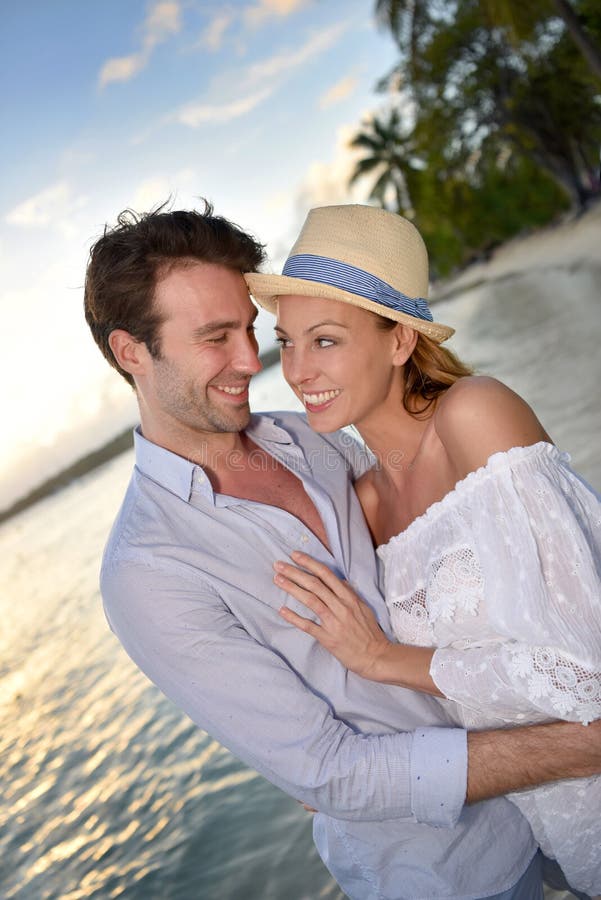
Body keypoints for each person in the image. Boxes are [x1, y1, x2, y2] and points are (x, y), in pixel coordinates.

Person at [84, 202, 601, 900]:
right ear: (130, 352)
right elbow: (328, 774)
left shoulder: (317, 442)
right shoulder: (148, 571)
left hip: (548, 820)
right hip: (440, 873)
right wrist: (575, 746)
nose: (256, 362)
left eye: (249, 330)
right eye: (216, 337)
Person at [245, 203, 601, 898]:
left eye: (324, 340)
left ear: (400, 340)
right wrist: (313, 761)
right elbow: (415, 695)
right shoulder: (366, 507)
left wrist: (382, 658)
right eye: (285, 342)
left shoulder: (475, 414)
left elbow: (584, 671)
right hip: (539, 827)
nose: (296, 371)